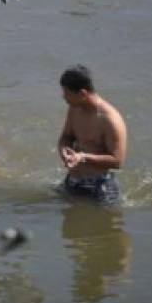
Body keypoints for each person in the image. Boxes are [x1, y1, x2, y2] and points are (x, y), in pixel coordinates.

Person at [56, 65, 127, 204]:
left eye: (67, 93)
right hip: (73, 180)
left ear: (82, 94)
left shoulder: (109, 119)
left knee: (103, 224)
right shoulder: (74, 109)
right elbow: (66, 137)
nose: (63, 97)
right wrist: (64, 151)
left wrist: (83, 157)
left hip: (101, 187)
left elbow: (117, 161)